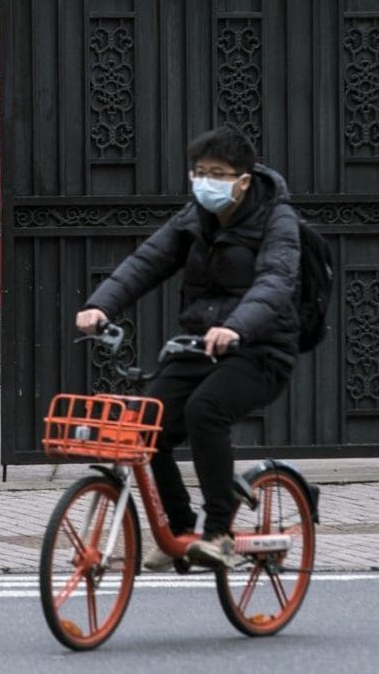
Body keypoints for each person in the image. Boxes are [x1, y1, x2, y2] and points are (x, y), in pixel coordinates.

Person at [75, 126, 301, 570]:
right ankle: (178, 530)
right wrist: (101, 305)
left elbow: (275, 282)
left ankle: (218, 534)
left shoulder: (277, 220)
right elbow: (147, 261)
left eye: (217, 173)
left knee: (205, 411)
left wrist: (236, 327)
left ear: (244, 180)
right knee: (146, 426)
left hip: (261, 350)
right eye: (200, 172)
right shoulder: (194, 216)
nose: (206, 182)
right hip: (201, 346)